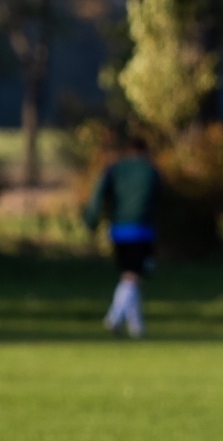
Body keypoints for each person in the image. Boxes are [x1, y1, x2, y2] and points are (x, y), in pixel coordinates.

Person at [84, 135, 160, 339]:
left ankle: (137, 328)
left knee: (129, 276)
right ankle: (114, 318)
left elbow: (98, 193)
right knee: (133, 277)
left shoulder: (114, 168)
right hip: (142, 230)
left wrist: (92, 220)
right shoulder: (150, 171)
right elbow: (160, 200)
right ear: (144, 151)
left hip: (118, 229)